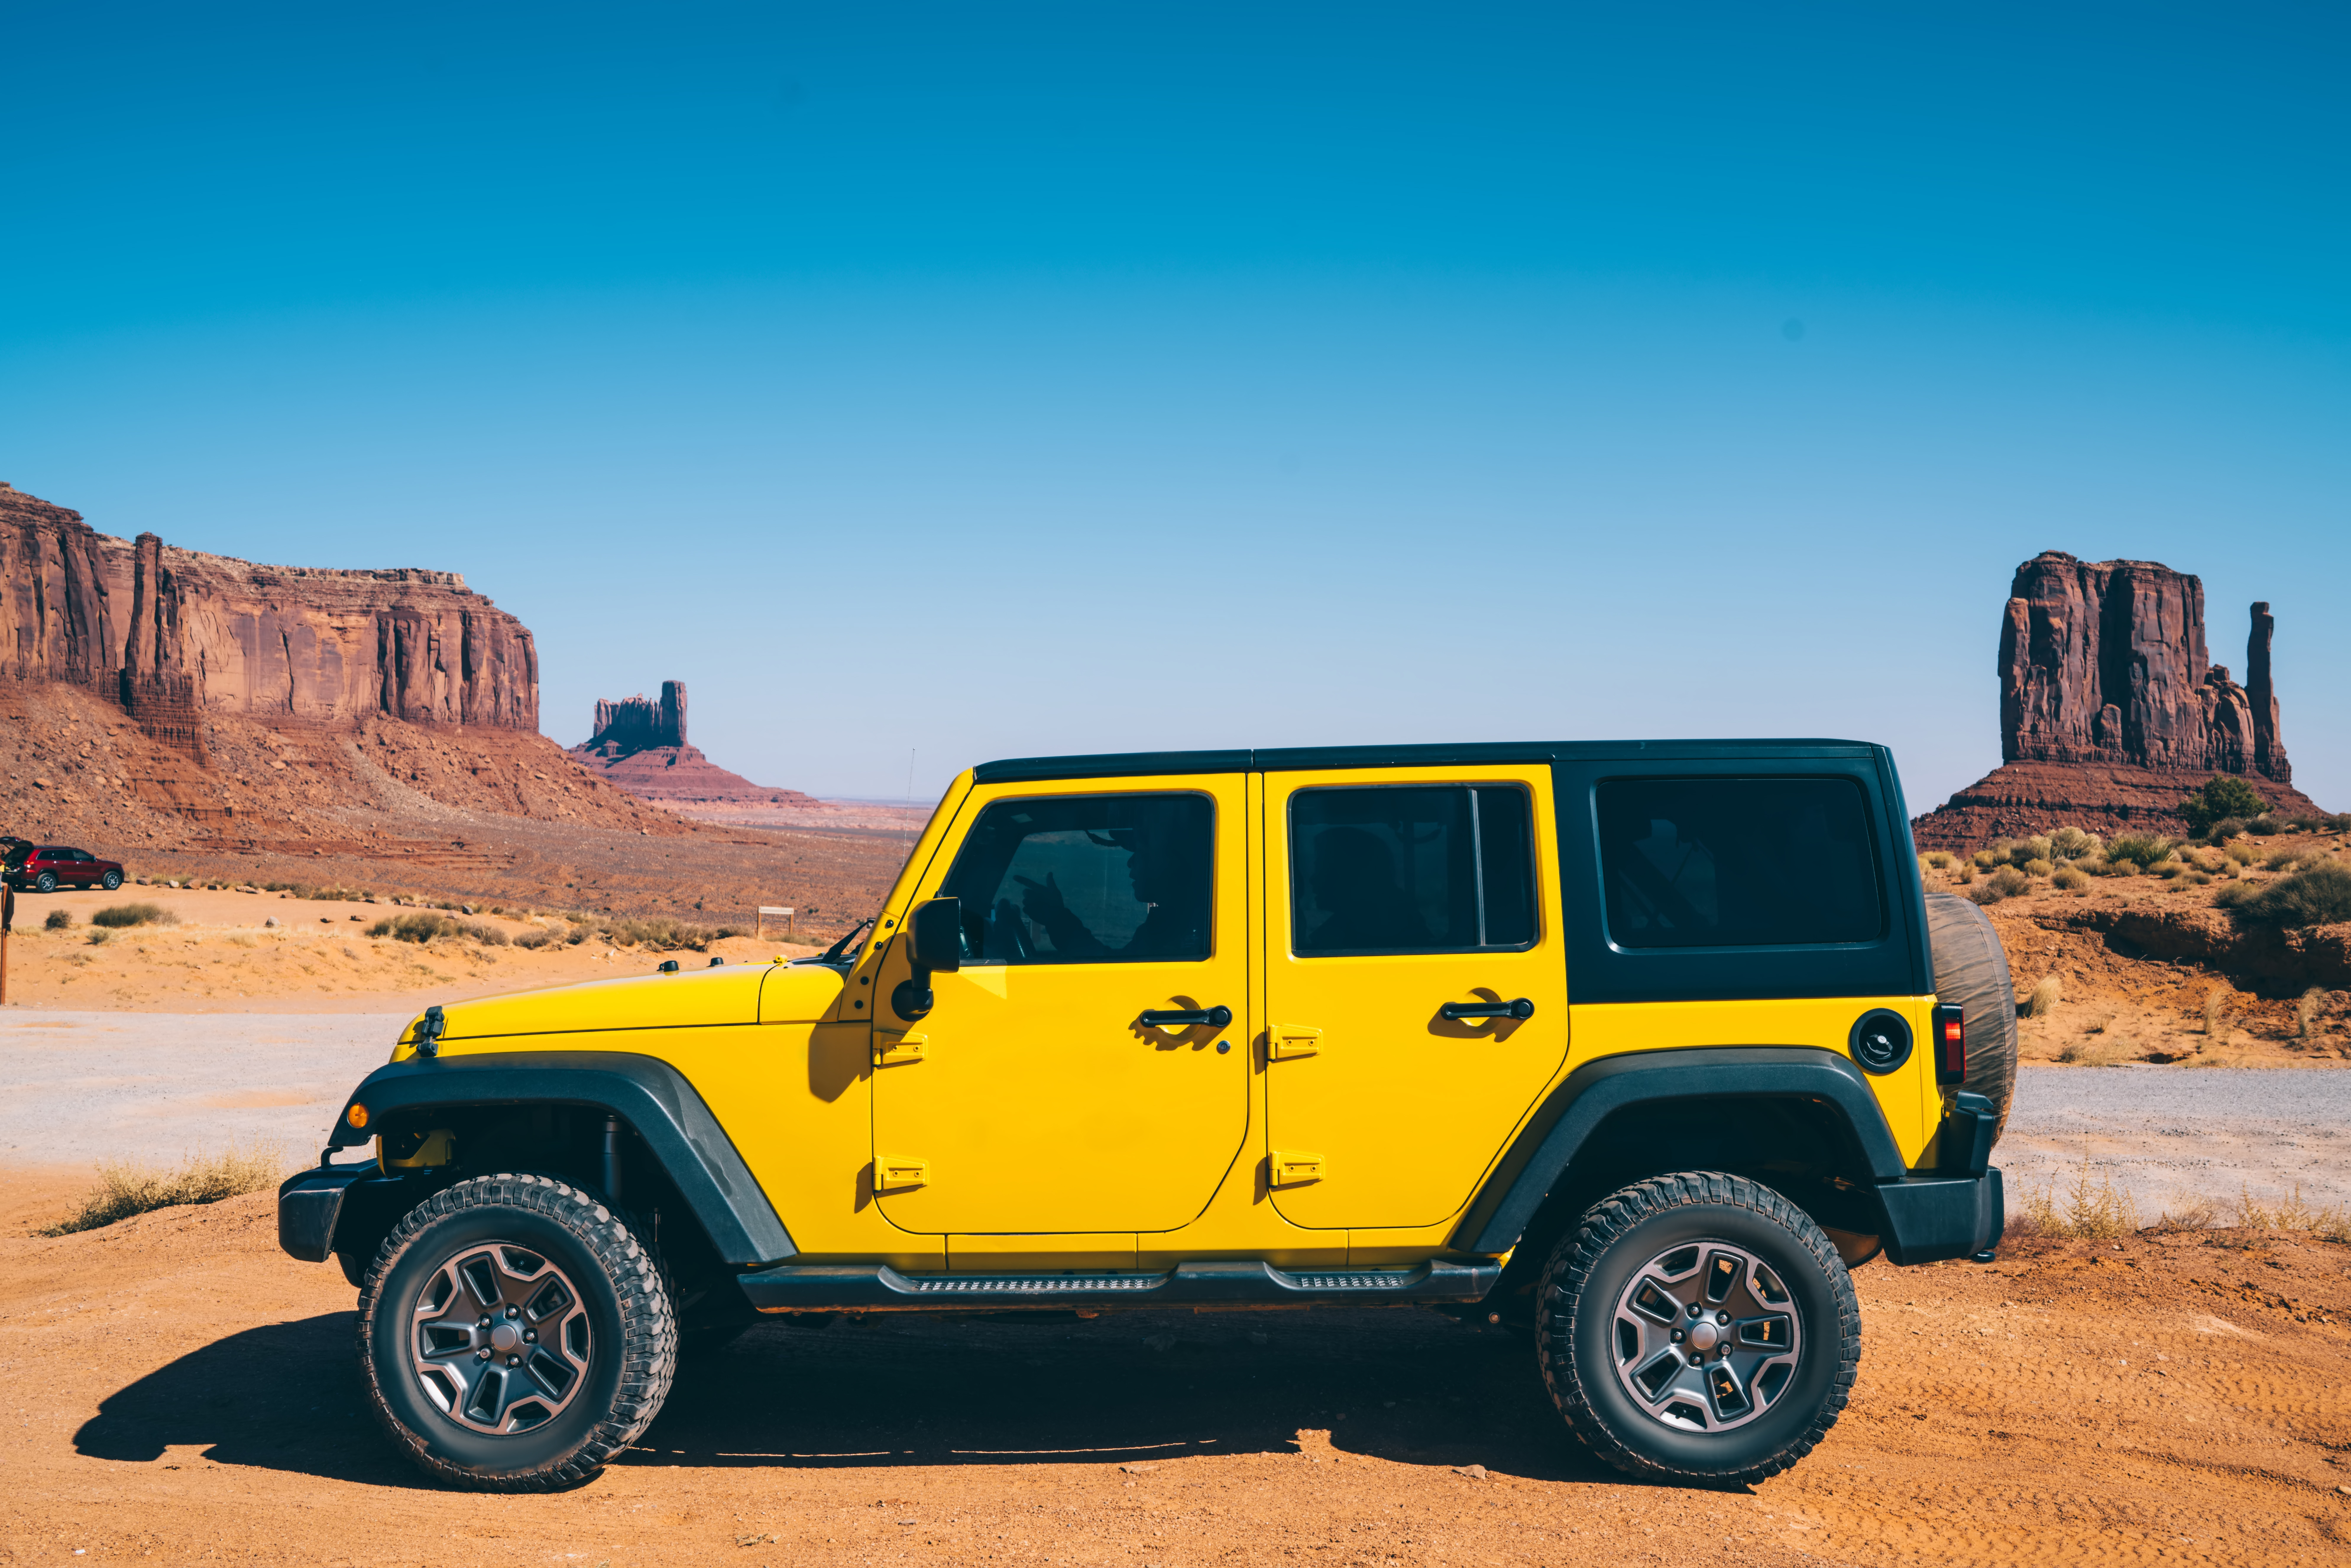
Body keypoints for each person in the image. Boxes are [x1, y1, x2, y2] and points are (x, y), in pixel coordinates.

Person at [1014, 801, 1209, 960]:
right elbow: (1118, 965)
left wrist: (1057, 919)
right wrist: (1057, 918)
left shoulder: (1176, 929)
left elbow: (1118, 976)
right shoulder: (1175, 923)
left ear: (1173, 860)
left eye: (1142, 852)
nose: (1130, 862)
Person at [1299, 825, 1427, 952]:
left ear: (1352, 874)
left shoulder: (1355, 936)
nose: (1313, 879)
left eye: (1323, 869)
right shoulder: (1401, 920)